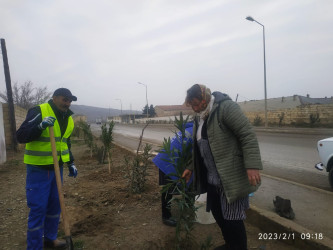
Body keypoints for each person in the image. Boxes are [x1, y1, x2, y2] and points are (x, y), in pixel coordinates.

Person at [182, 84, 262, 250]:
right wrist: (191, 166)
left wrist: (252, 165)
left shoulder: (225, 108)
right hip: (212, 180)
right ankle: (231, 244)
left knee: (233, 221)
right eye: (192, 105)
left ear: (205, 97)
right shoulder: (199, 118)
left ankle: (239, 246)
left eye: (197, 103)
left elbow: (247, 135)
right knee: (219, 217)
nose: (195, 108)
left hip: (229, 179)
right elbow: (198, 148)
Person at [16, 88, 78, 249]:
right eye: (65, 99)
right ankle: (35, 246)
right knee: (38, 208)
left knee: (55, 206)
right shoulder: (39, 111)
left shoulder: (69, 119)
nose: (67, 103)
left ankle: (50, 238)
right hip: (38, 169)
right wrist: (40, 126)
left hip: (58, 169)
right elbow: (21, 136)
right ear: (54, 97)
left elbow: (65, 143)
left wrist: (70, 162)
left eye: (70, 100)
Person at [152, 121, 193, 227]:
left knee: (175, 186)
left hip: (165, 158)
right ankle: (165, 217)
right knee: (168, 190)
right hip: (168, 162)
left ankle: (188, 205)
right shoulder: (197, 133)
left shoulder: (188, 129)